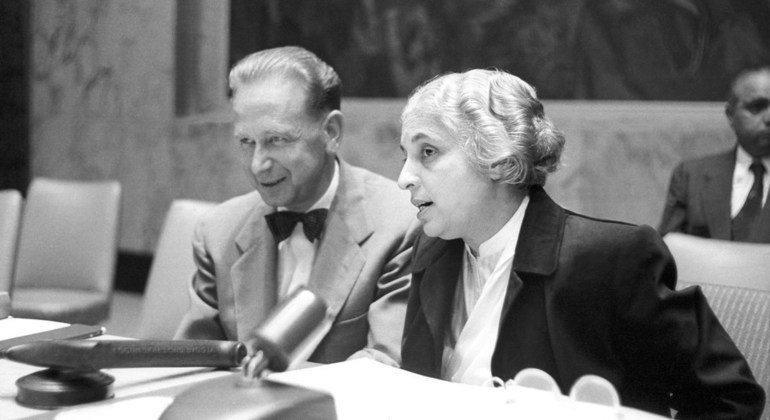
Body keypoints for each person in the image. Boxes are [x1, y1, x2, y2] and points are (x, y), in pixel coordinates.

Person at [397, 69, 765, 418]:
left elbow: (729, 397)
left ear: (497, 159)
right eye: (405, 155)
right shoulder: (433, 251)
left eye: (427, 152)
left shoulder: (611, 259)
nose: (404, 178)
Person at [175, 46, 418, 366]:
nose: (258, 165)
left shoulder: (401, 223)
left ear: (331, 132)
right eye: (246, 142)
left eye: (277, 140)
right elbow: (191, 359)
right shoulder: (217, 230)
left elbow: (384, 368)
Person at [659, 65, 770, 242]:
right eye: (757, 106)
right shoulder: (690, 176)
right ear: (730, 115)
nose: (768, 118)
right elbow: (668, 253)